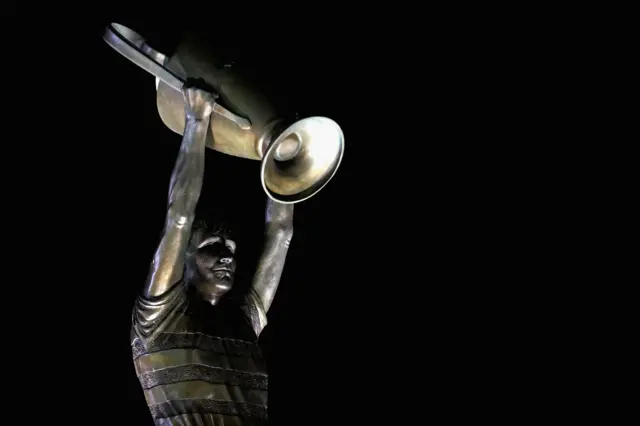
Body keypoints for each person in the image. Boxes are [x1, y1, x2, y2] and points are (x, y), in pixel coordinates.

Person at [131, 80, 294, 425]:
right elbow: (179, 217)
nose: (227, 257)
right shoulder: (158, 320)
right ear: (184, 259)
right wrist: (196, 122)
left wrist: (285, 162)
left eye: (231, 249)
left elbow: (280, 234)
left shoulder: (241, 323)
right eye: (212, 247)